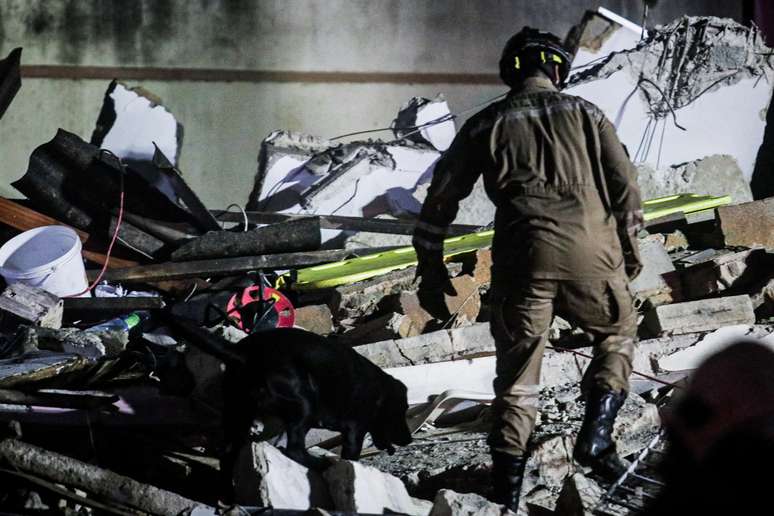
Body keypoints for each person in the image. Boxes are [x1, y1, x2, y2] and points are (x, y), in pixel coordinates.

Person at [412, 27, 643, 509]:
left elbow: (439, 200)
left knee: (517, 384)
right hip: (591, 254)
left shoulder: (483, 124)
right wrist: (632, 249)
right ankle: (597, 438)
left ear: (511, 71)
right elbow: (625, 186)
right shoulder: (587, 113)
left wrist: (431, 269)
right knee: (617, 335)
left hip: (522, 260)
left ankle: (506, 498)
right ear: (557, 68)